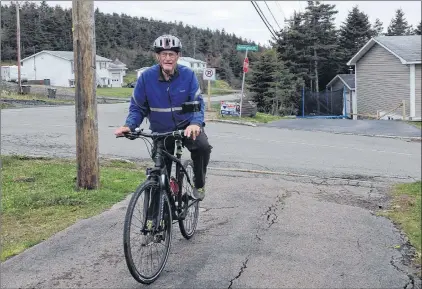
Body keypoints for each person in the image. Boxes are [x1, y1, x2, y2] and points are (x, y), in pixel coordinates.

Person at [114, 34, 211, 201]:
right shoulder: (146, 78)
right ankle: (158, 216)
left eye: (171, 54)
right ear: (157, 56)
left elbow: (197, 103)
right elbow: (137, 107)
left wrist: (195, 123)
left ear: (178, 56)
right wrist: (129, 125)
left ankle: (199, 183)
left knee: (202, 147)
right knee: (160, 174)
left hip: (186, 128)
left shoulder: (188, 76)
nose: (167, 58)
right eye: (164, 54)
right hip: (161, 131)